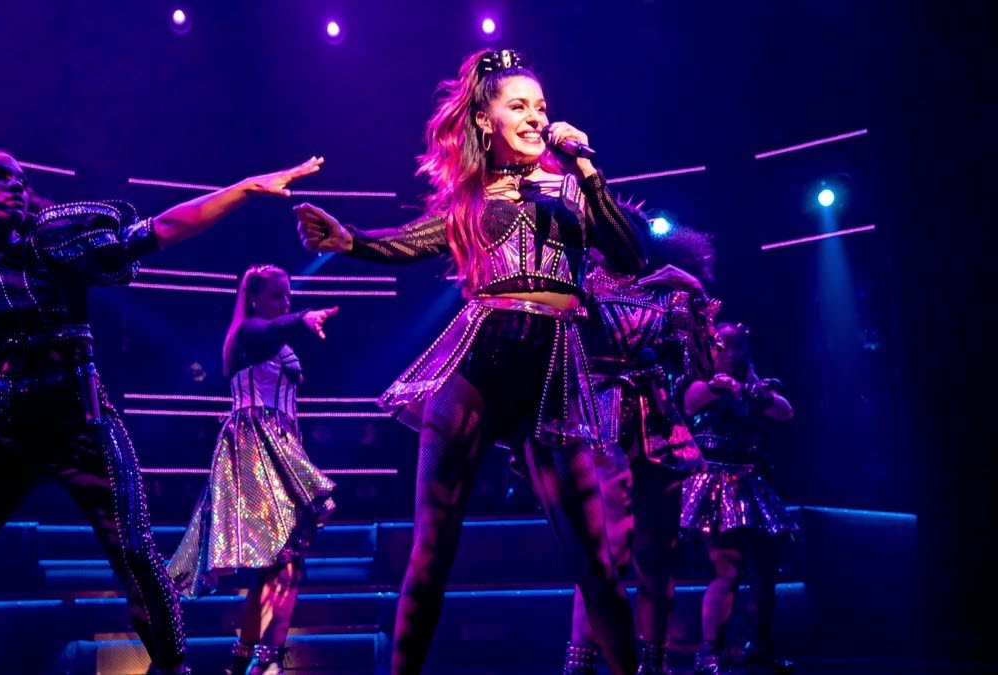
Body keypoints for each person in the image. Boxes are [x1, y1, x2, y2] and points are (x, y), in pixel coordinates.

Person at [0, 134, 322, 675]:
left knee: (134, 552)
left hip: (83, 423)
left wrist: (243, 188)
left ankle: (173, 669)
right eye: (0, 174)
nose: (17, 185)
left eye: (21, 178)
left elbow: (160, 229)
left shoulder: (53, 245)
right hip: (1, 430)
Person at [294, 49, 649, 674]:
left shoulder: (572, 187)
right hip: (479, 358)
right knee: (433, 546)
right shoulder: (470, 198)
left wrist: (587, 168)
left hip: (553, 366)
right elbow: (405, 243)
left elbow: (629, 259)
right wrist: (348, 240)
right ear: (486, 120)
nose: (535, 117)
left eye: (541, 107)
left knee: (593, 557)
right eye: (519, 106)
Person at [562, 224, 722, 675]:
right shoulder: (578, 284)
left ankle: (653, 664)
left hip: (659, 425)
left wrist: (694, 294)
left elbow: (706, 369)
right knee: (608, 547)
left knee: (657, 555)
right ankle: (581, 663)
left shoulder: (665, 293)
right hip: (598, 419)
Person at [168, 264, 338, 675]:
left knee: (280, 561)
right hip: (255, 443)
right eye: (277, 295)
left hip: (280, 444)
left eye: (289, 295)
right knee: (287, 560)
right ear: (254, 298)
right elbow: (269, 331)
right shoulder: (248, 334)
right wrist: (303, 317)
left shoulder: (269, 338)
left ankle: (245, 659)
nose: (285, 302)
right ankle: (266, 659)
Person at [679, 321, 798, 674]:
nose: (731, 354)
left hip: (754, 483)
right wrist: (721, 387)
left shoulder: (761, 388)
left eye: (737, 347)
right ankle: (709, 653)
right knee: (727, 567)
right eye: (723, 346)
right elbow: (690, 403)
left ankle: (760, 646)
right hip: (714, 483)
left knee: (765, 572)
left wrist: (746, 391)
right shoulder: (697, 382)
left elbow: (785, 411)